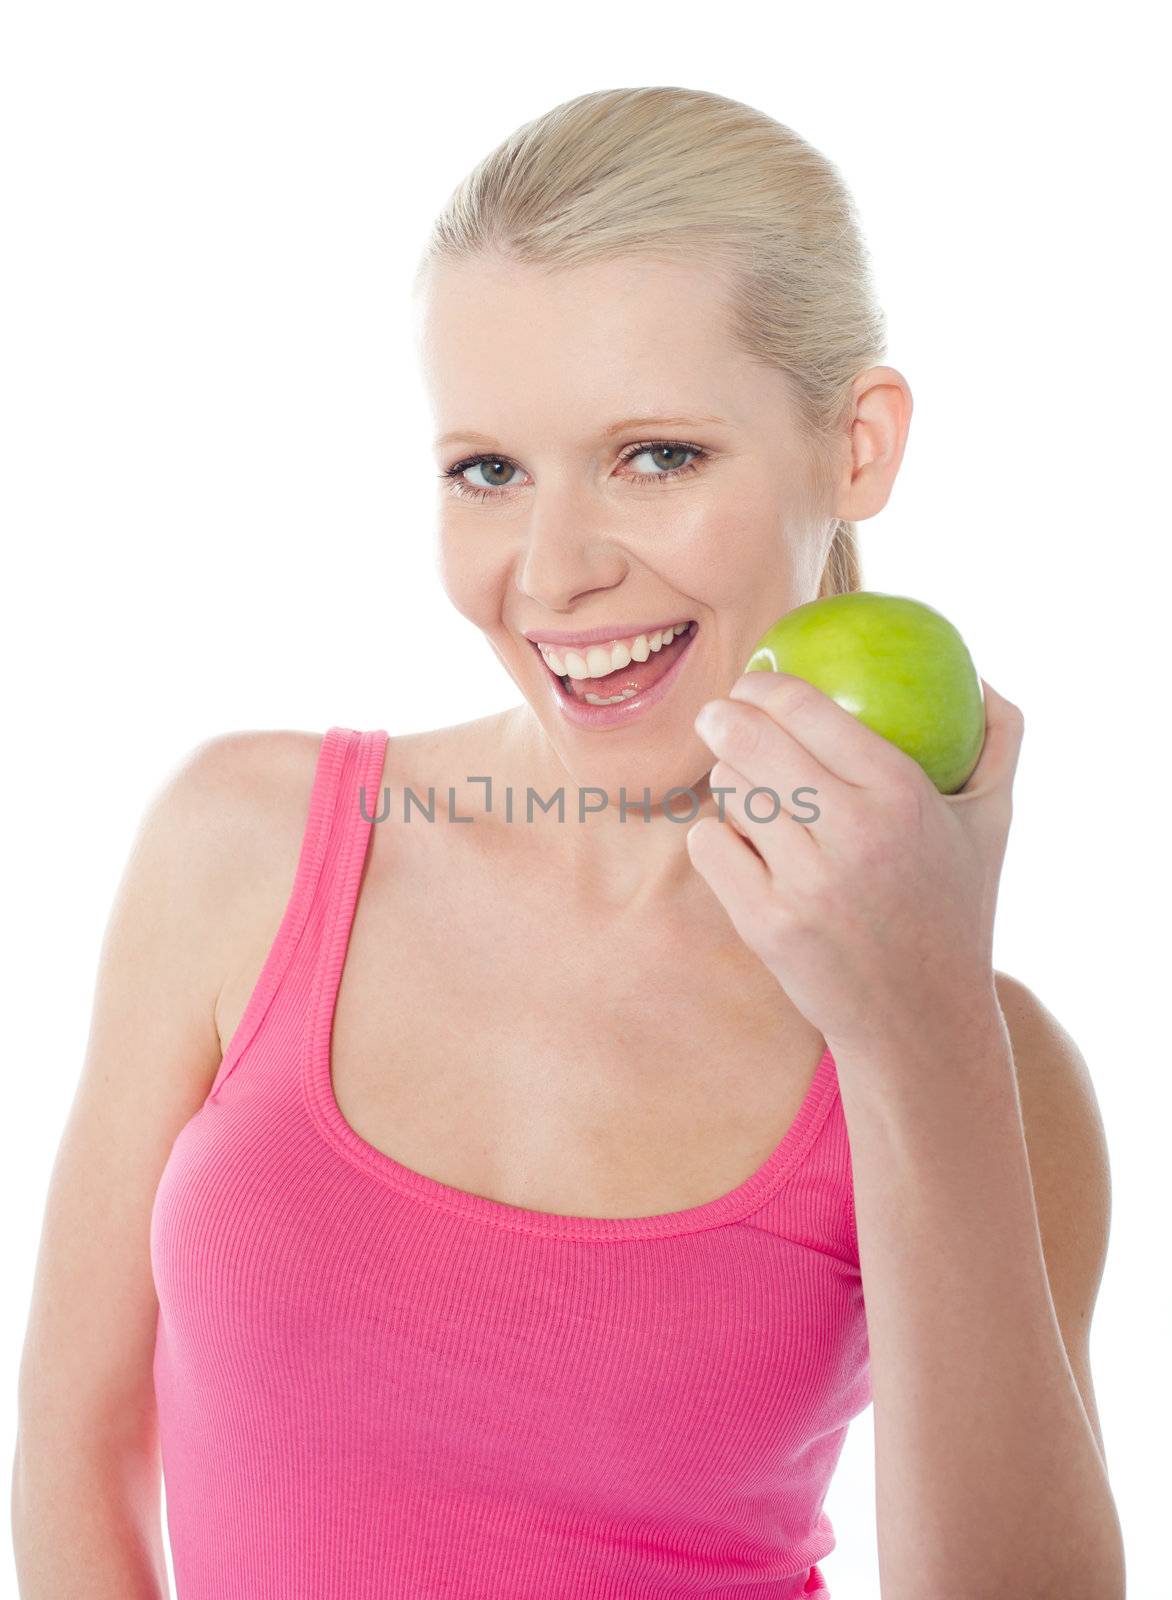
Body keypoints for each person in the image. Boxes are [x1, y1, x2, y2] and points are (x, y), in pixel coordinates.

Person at [13, 86, 1124, 1598]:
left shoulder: (985, 1063)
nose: (553, 571)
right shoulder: (247, 849)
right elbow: (73, 1455)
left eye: (657, 455)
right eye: (489, 470)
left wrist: (920, 1041)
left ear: (856, 448)